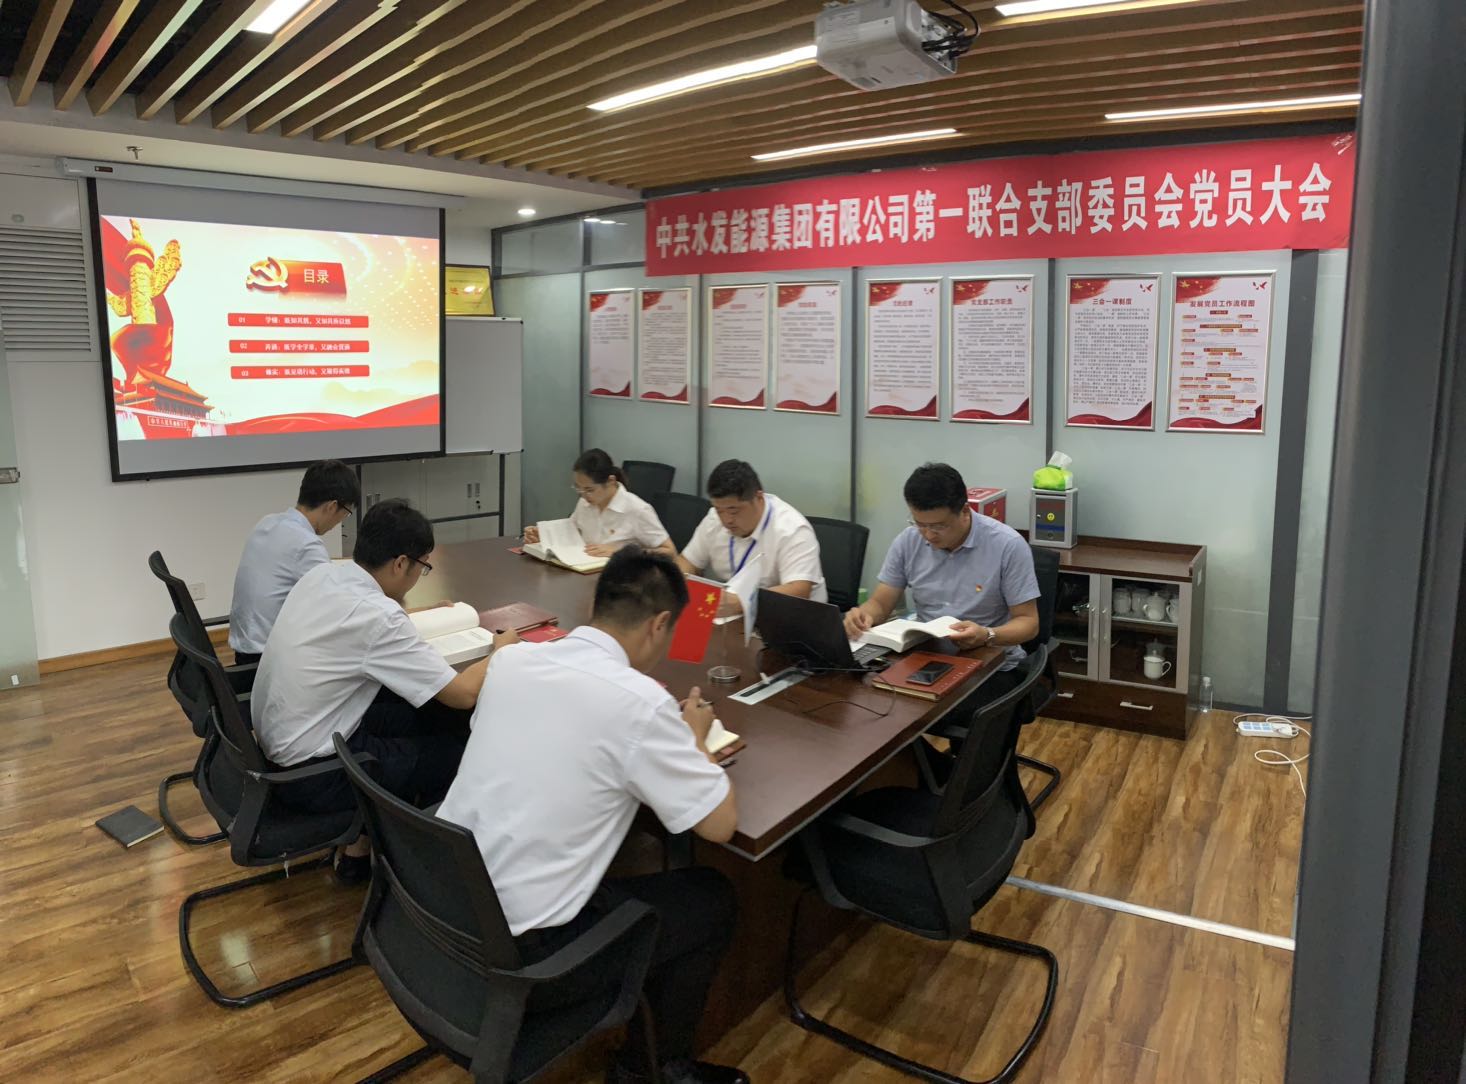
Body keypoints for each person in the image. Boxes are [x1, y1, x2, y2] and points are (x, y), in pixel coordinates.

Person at [437, 546, 745, 1084]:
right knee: (711, 897)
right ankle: (649, 1070)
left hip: (444, 913)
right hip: (527, 958)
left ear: (593, 605)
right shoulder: (640, 702)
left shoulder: (513, 662)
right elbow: (719, 826)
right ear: (659, 624)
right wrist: (695, 740)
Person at [251, 498, 515, 881]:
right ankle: (422, 869)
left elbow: (360, 622)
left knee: (424, 712)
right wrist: (502, 651)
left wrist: (419, 613)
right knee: (458, 748)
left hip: (286, 742)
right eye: (423, 567)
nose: (419, 575)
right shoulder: (379, 617)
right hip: (316, 775)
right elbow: (463, 694)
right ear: (401, 563)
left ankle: (360, 849)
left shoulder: (325, 575)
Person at [845, 462, 1040, 699]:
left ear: (965, 511)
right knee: (868, 701)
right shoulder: (907, 541)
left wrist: (987, 635)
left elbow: (1029, 623)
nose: (928, 535)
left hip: (989, 664)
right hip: (925, 657)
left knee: (930, 711)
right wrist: (863, 616)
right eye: (920, 524)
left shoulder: (1007, 545)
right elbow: (880, 604)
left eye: (939, 526)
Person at [229, 459, 360, 665]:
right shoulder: (306, 544)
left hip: (246, 649)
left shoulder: (267, 522)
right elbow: (336, 609)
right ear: (332, 506)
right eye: (346, 513)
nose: (339, 522)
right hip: (265, 663)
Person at [676, 459, 826, 617]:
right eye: (719, 510)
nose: (726, 520)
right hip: (738, 617)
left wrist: (743, 601)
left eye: (734, 511)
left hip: (794, 618)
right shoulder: (714, 520)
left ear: (759, 498)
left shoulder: (792, 530)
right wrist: (680, 585)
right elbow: (687, 562)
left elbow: (799, 590)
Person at [522, 449, 674, 557]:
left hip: (622, 581)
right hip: (584, 573)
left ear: (610, 481)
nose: (583, 495)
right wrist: (544, 537)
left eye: (589, 490)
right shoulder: (585, 502)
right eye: (578, 488)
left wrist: (620, 553)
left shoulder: (637, 510)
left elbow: (669, 552)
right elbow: (572, 533)